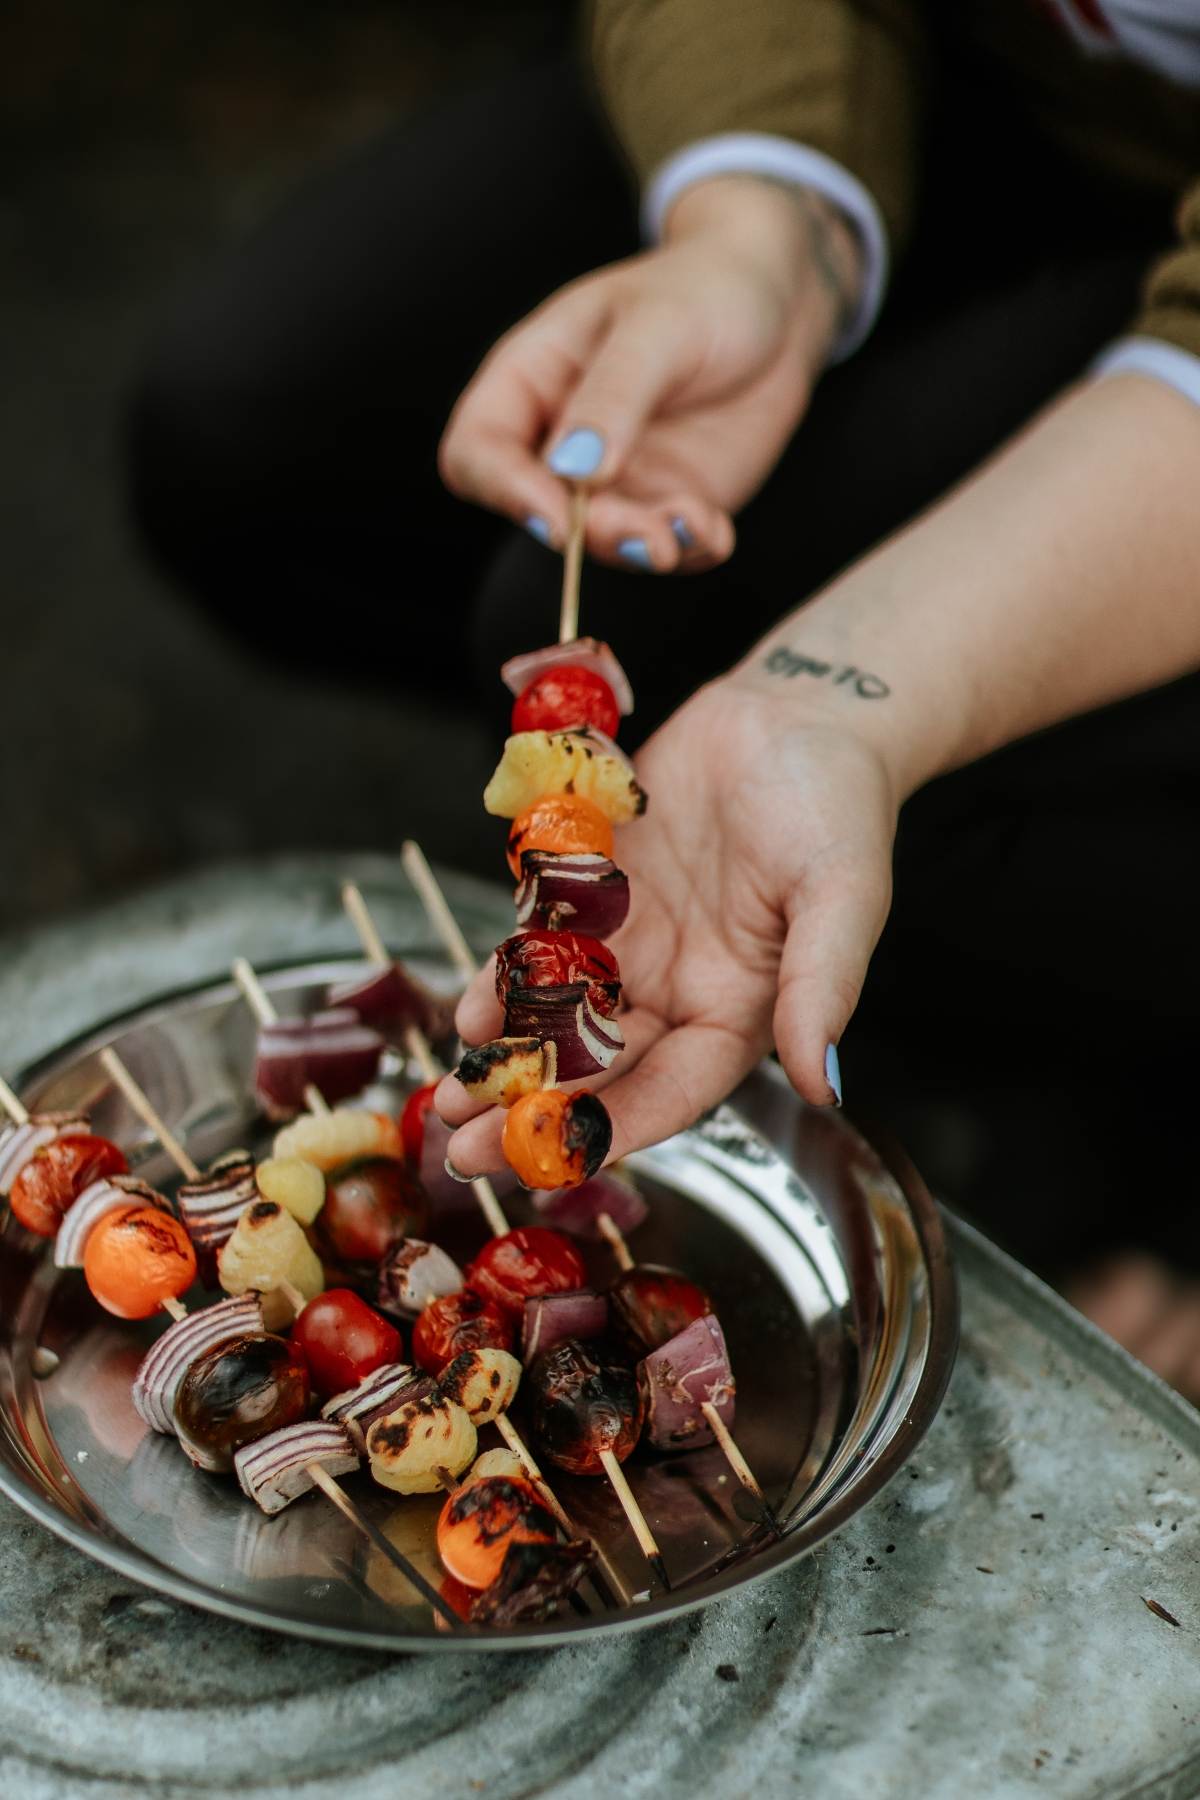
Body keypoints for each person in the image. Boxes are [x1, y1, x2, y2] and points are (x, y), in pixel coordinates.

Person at [128, 4, 1200, 1389]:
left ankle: (1133, 1078)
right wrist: (764, 230)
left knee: (640, 631)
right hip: (967, 58)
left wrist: (847, 705)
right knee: (246, 436)